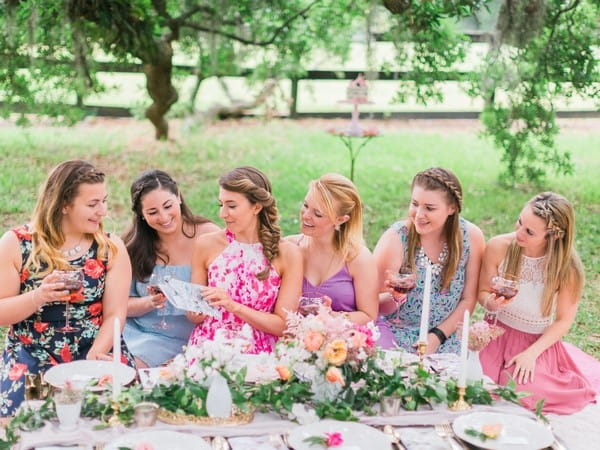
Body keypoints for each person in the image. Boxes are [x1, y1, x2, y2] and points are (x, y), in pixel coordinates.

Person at [0, 160, 134, 416]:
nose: (103, 211)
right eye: (93, 204)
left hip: (93, 349)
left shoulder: (110, 247)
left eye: (104, 201)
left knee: (109, 419)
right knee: (31, 422)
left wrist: (96, 353)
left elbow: (115, 314)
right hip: (34, 354)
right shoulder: (17, 244)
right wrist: (37, 297)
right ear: (63, 204)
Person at [478, 192, 596, 414]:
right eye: (520, 222)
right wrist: (490, 304)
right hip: (495, 334)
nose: (518, 233)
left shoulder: (566, 268)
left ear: (552, 236)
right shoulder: (498, 246)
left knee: (523, 390)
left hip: (536, 341)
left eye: (529, 232)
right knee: (481, 384)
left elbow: (563, 320)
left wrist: (532, 354)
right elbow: (482, 292)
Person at [187, 166, 302, 353]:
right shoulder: (205, 245)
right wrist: (195, 307)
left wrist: (233, 306)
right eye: (221, 204)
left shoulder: (288, 254)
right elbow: (194, 317)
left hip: (260, 352)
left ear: (256, 206)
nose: (222, 214)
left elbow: (284, 325)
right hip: (210, 348)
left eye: (231, 206)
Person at [373, 167, 485, 353]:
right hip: (394, 333)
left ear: (452, 208)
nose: (418, 214)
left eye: (429, 208)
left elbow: (468, 299)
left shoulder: (471, 238)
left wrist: (437, 336)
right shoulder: (396, 239)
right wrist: (394, 297)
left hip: (445, 336)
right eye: (415, 204)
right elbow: (369, 303)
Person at [122, 170, 220, 368]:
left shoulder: (209, 235)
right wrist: (150, 302)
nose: (164, 217)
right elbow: (119, 306)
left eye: (168, 206)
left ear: (178, 197)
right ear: (141, 215)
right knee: (114, 368)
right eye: (152, 212)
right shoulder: (133, 247)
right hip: (139, 333)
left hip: (192, 338)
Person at [286, 173, 394, 346]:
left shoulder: (358, 258)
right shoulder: (288, 248)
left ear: (340, 220)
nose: (306, 215)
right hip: (297, 341)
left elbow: (368, 315)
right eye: (306, 205)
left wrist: (330, 318)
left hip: (348, 343)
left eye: (318, 214)